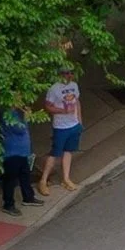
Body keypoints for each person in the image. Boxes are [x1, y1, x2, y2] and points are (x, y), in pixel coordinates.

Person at [41, 63, 84, 194]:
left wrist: (79, 121)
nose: (69, 75)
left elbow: (77, 102)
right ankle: (43, 180)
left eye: (71, 73)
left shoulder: (74, 86)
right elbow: (48, 106)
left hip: (73, 124)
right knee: (55, 153)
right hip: (60, 126)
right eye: (66, 73)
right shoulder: (54, 89)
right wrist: (62, 111)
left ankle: (66, 178)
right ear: (61, 74)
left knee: (68, 151)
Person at [0, 107, 41, 217]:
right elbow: (20, 129)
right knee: (10, 179)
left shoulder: (17, 112)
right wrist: (26, 116)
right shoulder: (7, 113)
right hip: (12, 152)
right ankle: (8, 204)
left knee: (25, 174)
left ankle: (28, 197)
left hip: (22, 151)